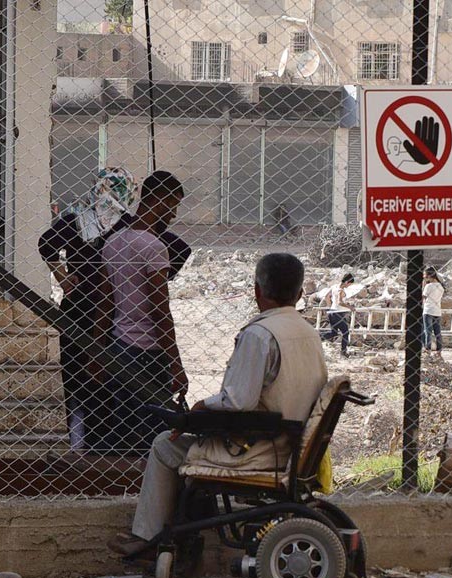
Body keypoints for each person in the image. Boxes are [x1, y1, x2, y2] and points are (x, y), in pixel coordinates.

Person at [107, 253, 328, 556]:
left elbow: (238, 402)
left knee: (165, 445)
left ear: (257, 291)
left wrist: (199, 408)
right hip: (292, 445)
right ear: (300, 293)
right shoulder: (308, 334)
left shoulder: (260, 335)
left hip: (260, 450)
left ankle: (149, 537)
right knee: (188, 442)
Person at [38, 168, 192, 452]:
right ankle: (110, 447)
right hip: (109, 316)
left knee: (81, 380)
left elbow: (45, 244)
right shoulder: (128, 227)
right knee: (112, 387)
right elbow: (178, 249)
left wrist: (64, 275)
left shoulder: (84, 220)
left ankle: (82, 443)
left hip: (84, 309)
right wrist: (152, 277)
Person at [93, 170, 187, 455]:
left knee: (123, 428)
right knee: (153, 435)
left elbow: (105, 303)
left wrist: (98, 351)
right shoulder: (155, 247)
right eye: (172, 205)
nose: (173, 215)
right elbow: (160, 310)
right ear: (158, 200)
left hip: (121, 347)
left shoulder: (114, 242)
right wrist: (175, 363)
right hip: (150, 353)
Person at [320, 273, 354, 358]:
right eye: (349, 284)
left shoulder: (334, 287)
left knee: (333, 332)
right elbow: (340, 302)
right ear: (346, 282)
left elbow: (326, 297)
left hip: (332, 312)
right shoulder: (340, 290)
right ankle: (343, 351)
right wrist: (350, 307)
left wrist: (330, 306)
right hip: (338, 313)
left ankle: (318, 336)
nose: (349, 286)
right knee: (345, 332)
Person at [423, 266, 445, 360]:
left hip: (428, 310)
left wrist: (424, 284)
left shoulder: (428, 286)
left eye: (425, 275)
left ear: (429, 276)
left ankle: (427, 349)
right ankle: (439, 351)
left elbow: (423, 297)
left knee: (427, 331)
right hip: (437, 311)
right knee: (437, 332)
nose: (424, 276)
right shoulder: (440, 286)